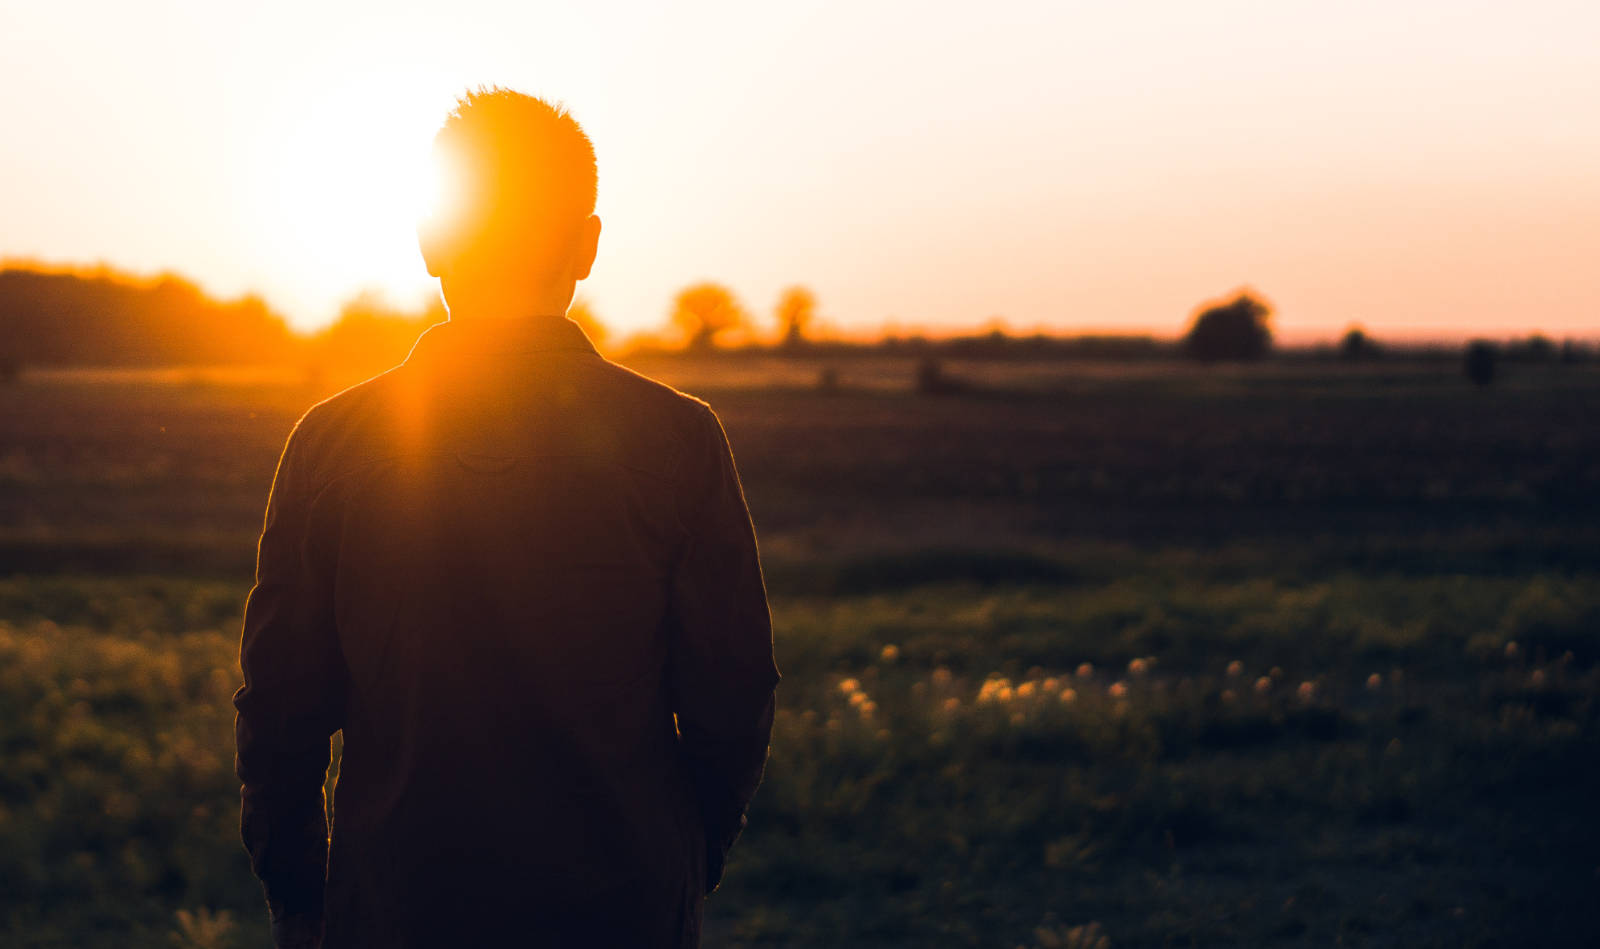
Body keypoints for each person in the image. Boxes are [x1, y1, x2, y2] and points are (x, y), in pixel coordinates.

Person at [233, 88, 780, 949]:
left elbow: (280, 713)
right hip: (623, 908)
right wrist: (678, 864)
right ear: (588, 246)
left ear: (429, 239)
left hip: (398, 910)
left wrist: (303, 899)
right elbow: (733, 696)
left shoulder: (330, 445)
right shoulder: (681, 441)